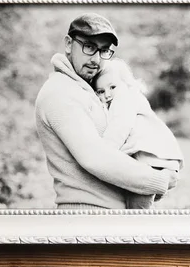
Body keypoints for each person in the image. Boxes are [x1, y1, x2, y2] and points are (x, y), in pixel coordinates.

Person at [34, 13, 178, 210]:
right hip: (87, 213)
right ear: (68, 44)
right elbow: (94, 157)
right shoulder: (60, 92)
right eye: (89, 47)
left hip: (109, 214)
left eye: (103, 51)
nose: (96, 59)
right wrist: (159, 180)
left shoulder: (89, 90)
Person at [93, 59, 184, 209]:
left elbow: (118, 129)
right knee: (137, 203)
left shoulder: (124, 97)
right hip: (156, 160)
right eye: (101, 91)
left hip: (149, 161)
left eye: (112, 87)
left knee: (136, 209)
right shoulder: (132, 96)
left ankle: (140, 231)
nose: (107, 94)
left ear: (126, 82)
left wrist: (104, 153)